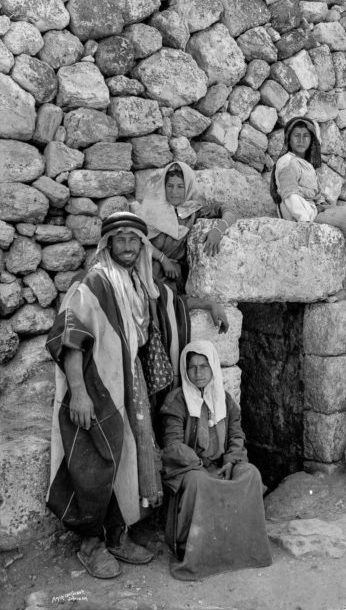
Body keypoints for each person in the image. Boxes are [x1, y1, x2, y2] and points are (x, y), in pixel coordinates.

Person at [45, 212, 228, 579]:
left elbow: (170, 303)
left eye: (134, 240)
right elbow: (71, 338)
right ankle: (90, 543)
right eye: (121, 239)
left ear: (141, 246)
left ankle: (116, 534)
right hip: (98, 387)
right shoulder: (93, 284)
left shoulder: (138, 282)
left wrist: (208, 305)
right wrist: (79, 393)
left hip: (131, 384)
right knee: (95, 461)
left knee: (126, 458)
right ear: (108, 243)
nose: (128, 246)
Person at [161, 340, 272, 581]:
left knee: (250, 474)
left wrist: (232, 461)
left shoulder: (225, 399)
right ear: (185, 370)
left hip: (222, 464)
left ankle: (241, 546)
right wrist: (198, 465)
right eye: (192, 367)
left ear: (213, 368)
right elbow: (172, 444)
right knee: (199, 482)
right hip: (191, 468)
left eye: (204, 366)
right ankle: (195, 549)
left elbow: (236, 435)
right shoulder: (177, 401)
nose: (198, 373)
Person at [131, 161, 237, 291]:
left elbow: (229, 210)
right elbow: (136, 237)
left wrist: (218, 230)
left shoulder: (193, 210)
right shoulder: (150, 207)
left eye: (180, 186)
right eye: (170, 186)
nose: (174, 192)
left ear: (188, 187)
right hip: (142, 269)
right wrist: (163, 259)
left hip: (173, 278)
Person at [271, 116, 346, 249]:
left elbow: (313, 194)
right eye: (296, 136)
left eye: (305, 136)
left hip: (312, 210)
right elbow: (289, 195)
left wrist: (321, 206)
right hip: (299, 214)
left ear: (312, 140)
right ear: (289, 138)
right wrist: (305, 220)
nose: (301, 140)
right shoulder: (288, 162)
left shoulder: (304, 163)